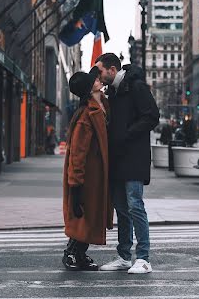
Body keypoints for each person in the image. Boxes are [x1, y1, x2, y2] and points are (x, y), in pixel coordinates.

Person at [95, 53, 159, 274]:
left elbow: (152, 116)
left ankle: (143, 258)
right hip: (118, 157)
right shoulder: (112, 91)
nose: (99, 76)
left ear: (112, 70)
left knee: (134, 205)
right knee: (121, 208)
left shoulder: (136, 87)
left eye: (101, 71)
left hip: (134, 156)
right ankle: (124, 256)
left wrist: (126, 134)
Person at [62, 67, 113, 271]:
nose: (98, 80)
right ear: (88, 88)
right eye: (94, 80)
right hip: (87, 178)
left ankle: (79, 254)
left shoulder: (98, 107)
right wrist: (75, 186)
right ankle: (71, 254)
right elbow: (77, 154)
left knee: (90, 217)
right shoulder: (86, 115)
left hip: (95, 176)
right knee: (84, 217)